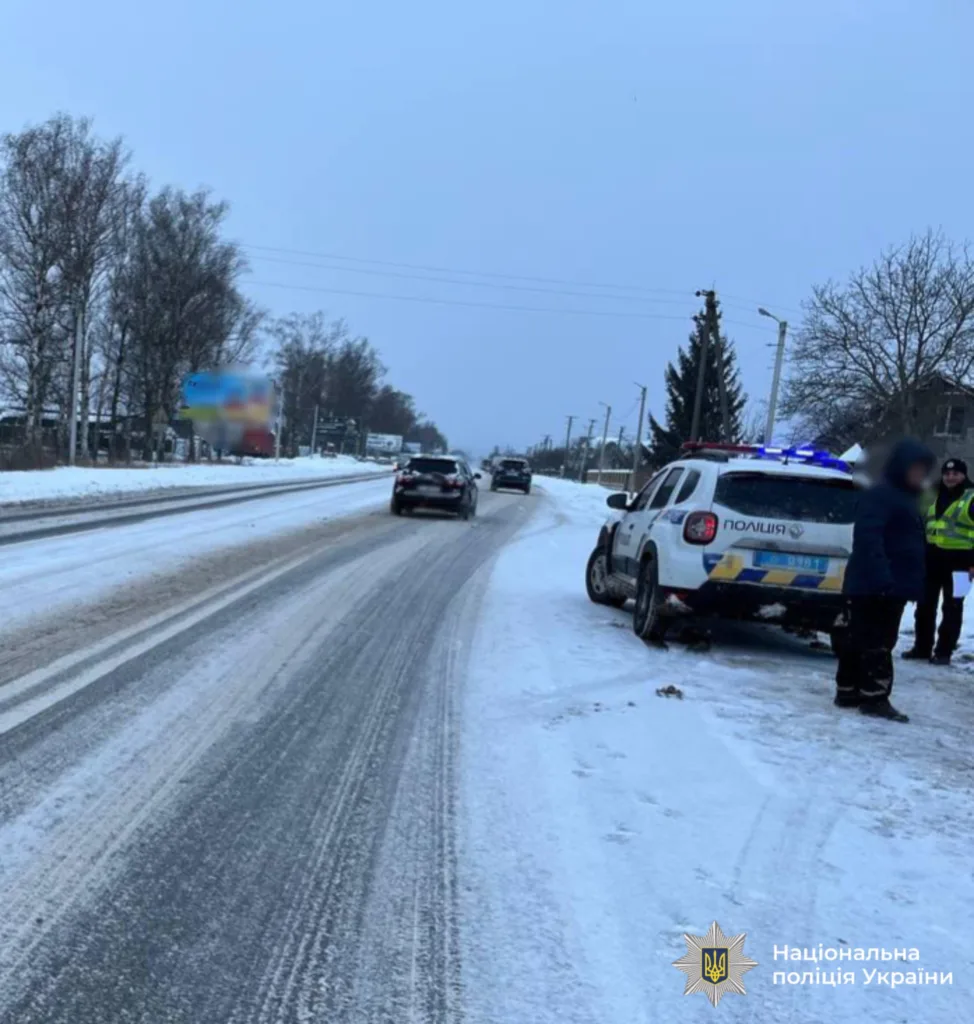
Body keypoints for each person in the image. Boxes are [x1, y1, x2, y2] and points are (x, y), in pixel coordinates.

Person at [835, 438, 934, 722]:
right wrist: (883, 578)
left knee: (861, 637)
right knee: (877, 641)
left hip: (885, 582)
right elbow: (868, 537)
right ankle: (874, 697)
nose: (921, 475)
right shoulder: (882, 495)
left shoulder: (906, 497)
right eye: (916, 469)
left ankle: (850, 690)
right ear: (902, 467)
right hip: (877, 583)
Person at [902, 457, 974, 665]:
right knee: (924, 606)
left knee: (953, 609)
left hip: (962, 564)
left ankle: (944, 652)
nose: (951, 477)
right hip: (931, 560)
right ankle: (922, 648)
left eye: (955, 473)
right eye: (947, 473)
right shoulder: (932, 494)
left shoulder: (971, 497)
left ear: (963, 475)